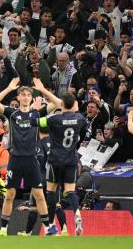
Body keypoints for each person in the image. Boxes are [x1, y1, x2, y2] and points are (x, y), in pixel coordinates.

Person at [0, 77, 58, 236]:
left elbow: (57, 103)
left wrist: (42, 90)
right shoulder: (12, 114)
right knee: (9, 195)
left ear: (31, 98)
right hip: (15, 159)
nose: (26, 97)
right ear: (18, 98)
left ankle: (48, 229)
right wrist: (9, 88)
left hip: (32, 159)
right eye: (23, 94)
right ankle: (3, 230)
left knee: (39, 195)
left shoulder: (36, 113)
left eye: (28, 95)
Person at [33, 80, 87, 236]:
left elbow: (34, 122)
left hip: (55, 160)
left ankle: (50, 225)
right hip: (71, 159)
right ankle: (77, 213)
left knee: (51, 192)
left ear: (61, 104)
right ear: (74, 105)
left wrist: (37, 110)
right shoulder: (80, 119)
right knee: (70, 191)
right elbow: (68, 108)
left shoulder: (54, 119)